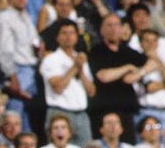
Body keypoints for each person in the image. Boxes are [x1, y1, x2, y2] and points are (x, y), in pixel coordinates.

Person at [89, 13, 148, 144]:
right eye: (109, 25)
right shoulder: (96, 51)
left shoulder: (128, 51)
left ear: (122, 29)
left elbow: (153, 62)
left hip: (127, 113)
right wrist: (127, 68)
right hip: (103, 112)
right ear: (102, 30)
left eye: (116, 25)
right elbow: (103, 76)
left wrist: (139, 73)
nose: (113, 28)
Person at [0, 0, 39, 132]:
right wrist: (13, 77)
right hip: (16, 71)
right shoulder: (4, 19)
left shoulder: (27, 17)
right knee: (13, 119)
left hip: (31, 71)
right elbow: (4, 51)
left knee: (26, 122)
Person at [40, 19, 96, 145]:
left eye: (72, 33)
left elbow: (92, 91)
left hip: (81, 114)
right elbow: (58, 87)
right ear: (57, 37)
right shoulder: (51, 59)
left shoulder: (81, 58)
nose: (68, 37)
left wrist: (81, 71)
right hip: (59, 113)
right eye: (64, 33)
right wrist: (74, 67)